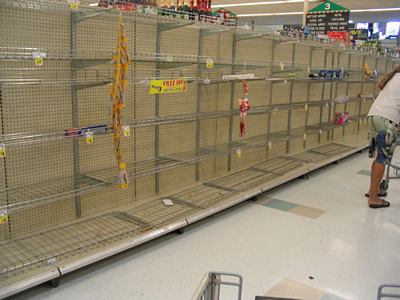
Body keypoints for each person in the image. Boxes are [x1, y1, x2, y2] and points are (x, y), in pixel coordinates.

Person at [366, 65, 400, 208]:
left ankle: (372, 191)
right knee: (382, 158)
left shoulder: (395, 77)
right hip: (387, 120)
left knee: (378, 156)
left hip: (375, 115)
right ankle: (373, 198)